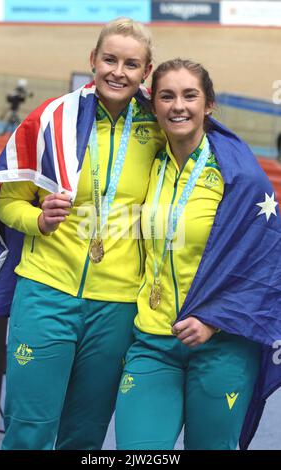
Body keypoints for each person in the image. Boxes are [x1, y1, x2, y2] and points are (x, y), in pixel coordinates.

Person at [0, 18, 165, 450]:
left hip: (117, 307)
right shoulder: (52, 119)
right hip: (46, 292)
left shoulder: (160, 127)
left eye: (131, 64)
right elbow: (7, 202)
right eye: (110, 59)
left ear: (147, 71)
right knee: (29, 429)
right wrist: (38, 221)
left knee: (84, 436)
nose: (118, 71)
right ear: (93, 61)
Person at [115, 58, 281, 450]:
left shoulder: (238, 177)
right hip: (152, 340)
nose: (178, 106)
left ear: (208, 105)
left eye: (190, 96)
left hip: (219, 345)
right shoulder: (147, 163)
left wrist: (213, 320)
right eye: (167, 96)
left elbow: (266, 264)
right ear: (152, 105)